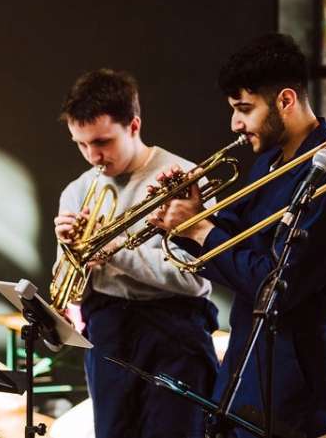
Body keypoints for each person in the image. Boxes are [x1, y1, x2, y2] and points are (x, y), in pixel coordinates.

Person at [150, 33, 326, 437]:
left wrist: (201, 229)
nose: (235, 123)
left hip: (296, 368)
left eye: (244, 109)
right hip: (248, 351)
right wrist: (182, 219)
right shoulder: (271, 159)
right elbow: (237, 244)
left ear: (286, 100)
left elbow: (276, 285)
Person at [55, 69, 219, 438]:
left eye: (102, 141)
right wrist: (69, 253)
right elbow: (73, 295)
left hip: (174, 334)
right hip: (110, 332)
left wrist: (113, 251)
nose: (92, 155)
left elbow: (193, 279)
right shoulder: (77, 191)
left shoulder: (183, 180)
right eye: (80, 144)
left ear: (133, 125)